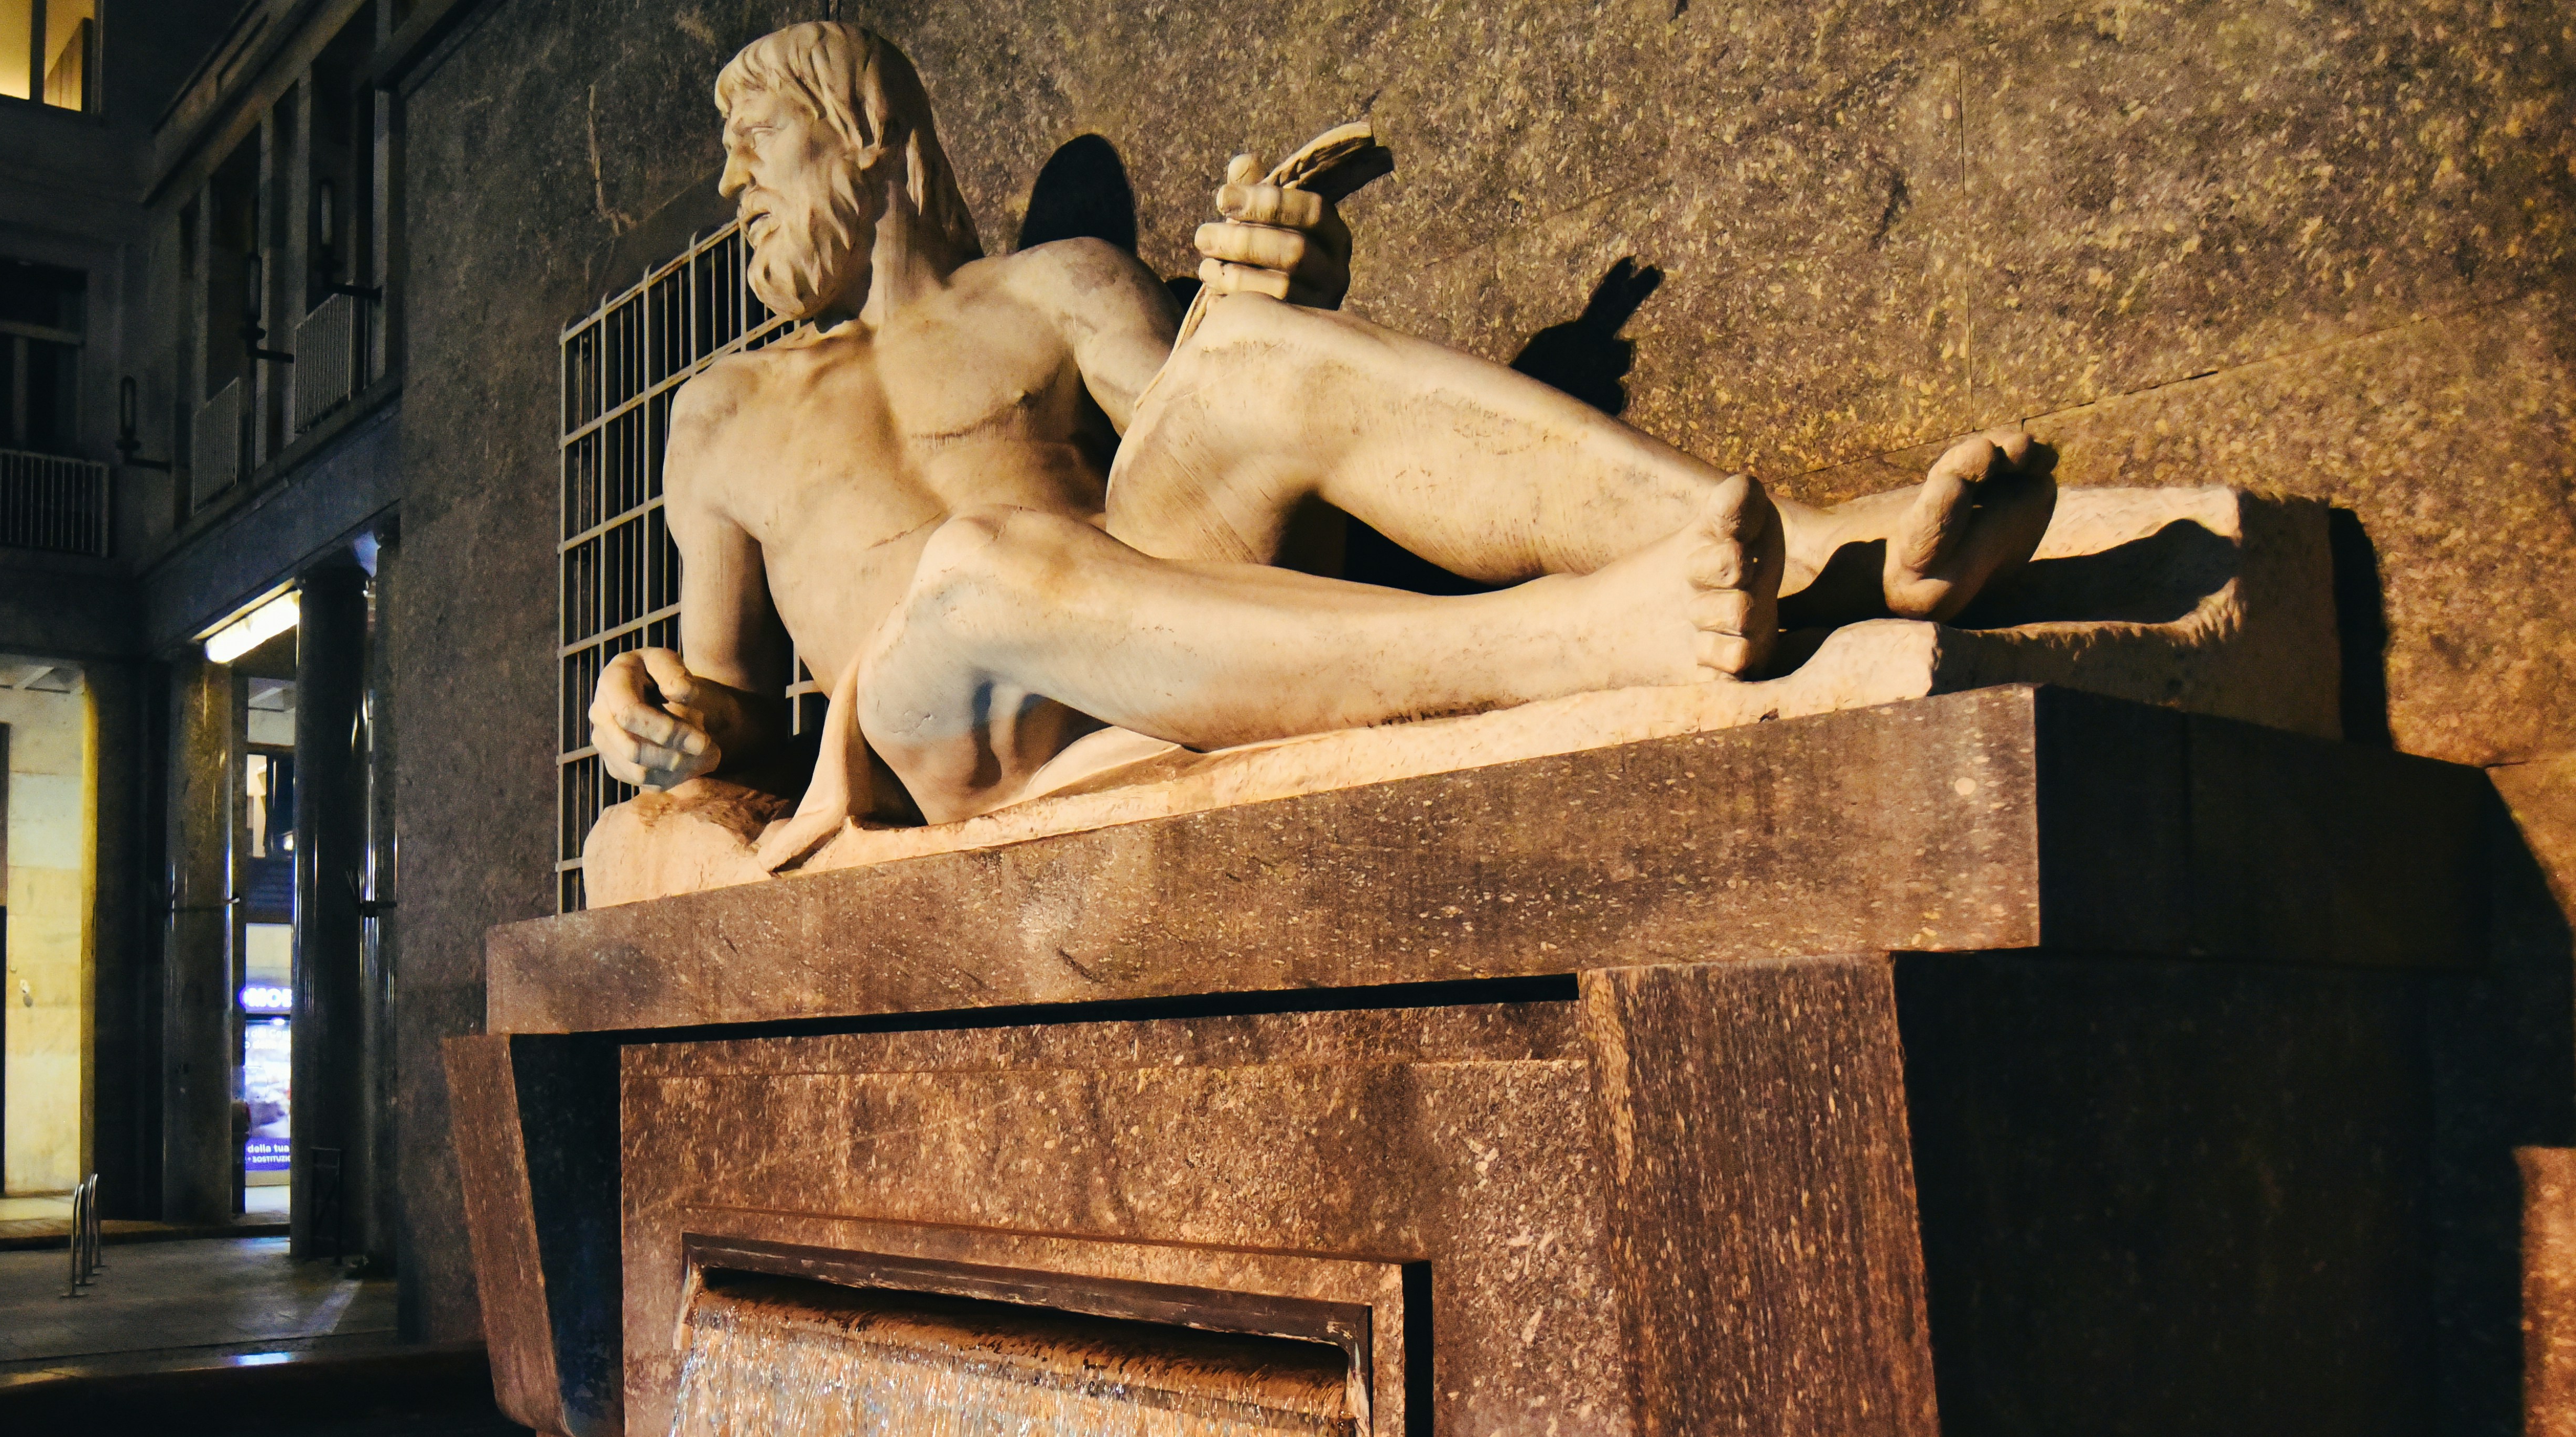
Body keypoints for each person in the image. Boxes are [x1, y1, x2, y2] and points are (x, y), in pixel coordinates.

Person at [591, 23, 2057, 865]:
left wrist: (1275, 296)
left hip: (1141, 646)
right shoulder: (721, 415)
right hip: (937, 736)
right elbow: (741, 717)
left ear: (868, 134)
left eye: (753, 144)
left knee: (1235, 356)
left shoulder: (1060, 287)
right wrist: (662, 718)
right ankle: (1577, 638)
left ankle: (1838, 560)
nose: (727, 188)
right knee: (973, 567)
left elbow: (1208, 444)